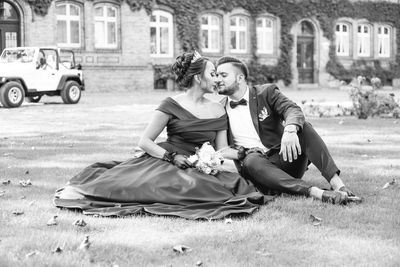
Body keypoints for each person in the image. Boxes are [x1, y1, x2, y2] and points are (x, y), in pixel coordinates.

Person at [54, 52, 273, 220]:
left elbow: (221, 148)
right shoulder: (170, 104)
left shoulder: (218, 109)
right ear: (198, 77)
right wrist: (171, 157)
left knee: (221, 189)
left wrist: (243, 152)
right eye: (213, 73)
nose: (217, 79)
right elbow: (145, 142)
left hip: (197, 163)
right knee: (140, 187)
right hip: (166, 159)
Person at [215, 56, 361, 205]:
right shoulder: (219, 109)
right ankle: (317, 192)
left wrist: (290, 130)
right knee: (251, 160)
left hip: (285, 158)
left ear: (240, 78)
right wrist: (243, 153)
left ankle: (338, 185)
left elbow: (293, 110)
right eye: (216, 75)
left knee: (303, 127)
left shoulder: (266, 93)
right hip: (255, 168)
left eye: (223, 75)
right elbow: (221, 149)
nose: (217, 79)